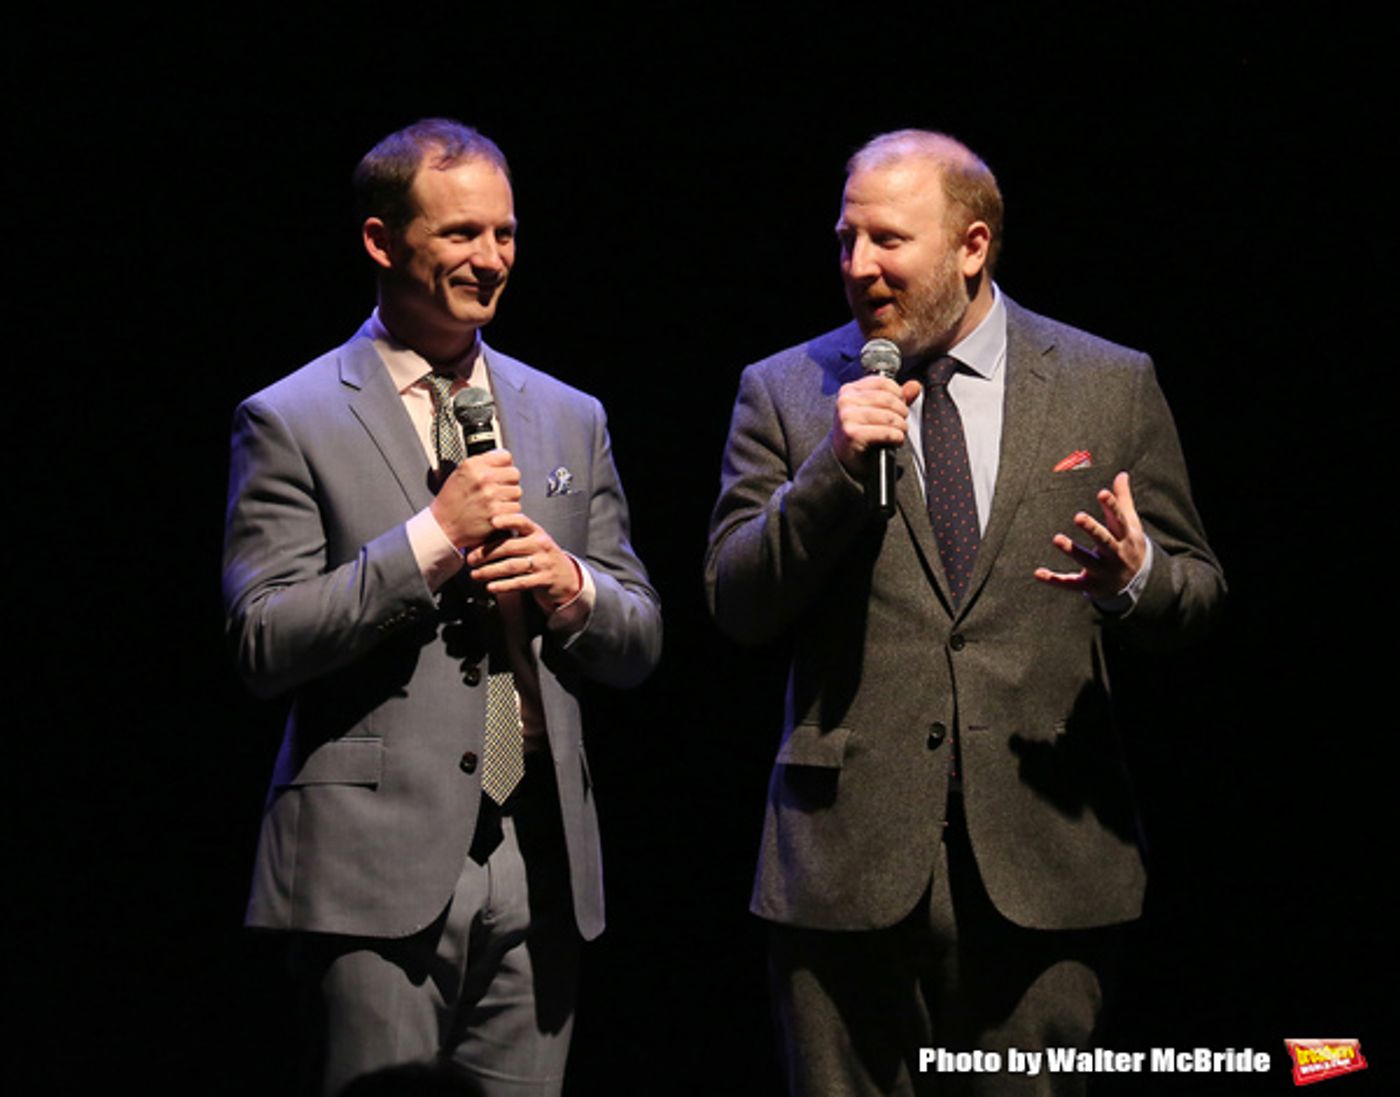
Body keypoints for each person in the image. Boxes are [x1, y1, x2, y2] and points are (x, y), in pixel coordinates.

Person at [704, 130, 1224, 1096]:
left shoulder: (1108, 383)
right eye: (846, 239)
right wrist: (835, 470)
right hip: (845, 867)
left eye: (890, 241)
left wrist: (1136, 577)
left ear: (973, 246)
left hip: (1049, 860)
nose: (861, 268)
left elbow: (1197, 594)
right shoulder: (783, 390)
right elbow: (737, 601)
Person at [223, 118, 661, 1096]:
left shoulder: (566, 414)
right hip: (374, 870)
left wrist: (572, 586)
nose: (491, 259)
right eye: (461, 233)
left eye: (504, 234)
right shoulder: (290, 417)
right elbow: (262, 639)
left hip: (541, 860)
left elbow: (638, 635)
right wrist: (430, 540)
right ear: (381, 241)